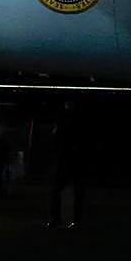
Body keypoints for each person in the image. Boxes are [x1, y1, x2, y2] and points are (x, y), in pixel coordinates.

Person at [48, 97, 87, 229]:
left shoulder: (62, 121)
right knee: (76, 190)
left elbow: (56, 138)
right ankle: (73, 219)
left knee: (57, 189)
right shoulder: (78, 121)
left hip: (65, 158)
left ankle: (57, 218)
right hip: (73, 158)